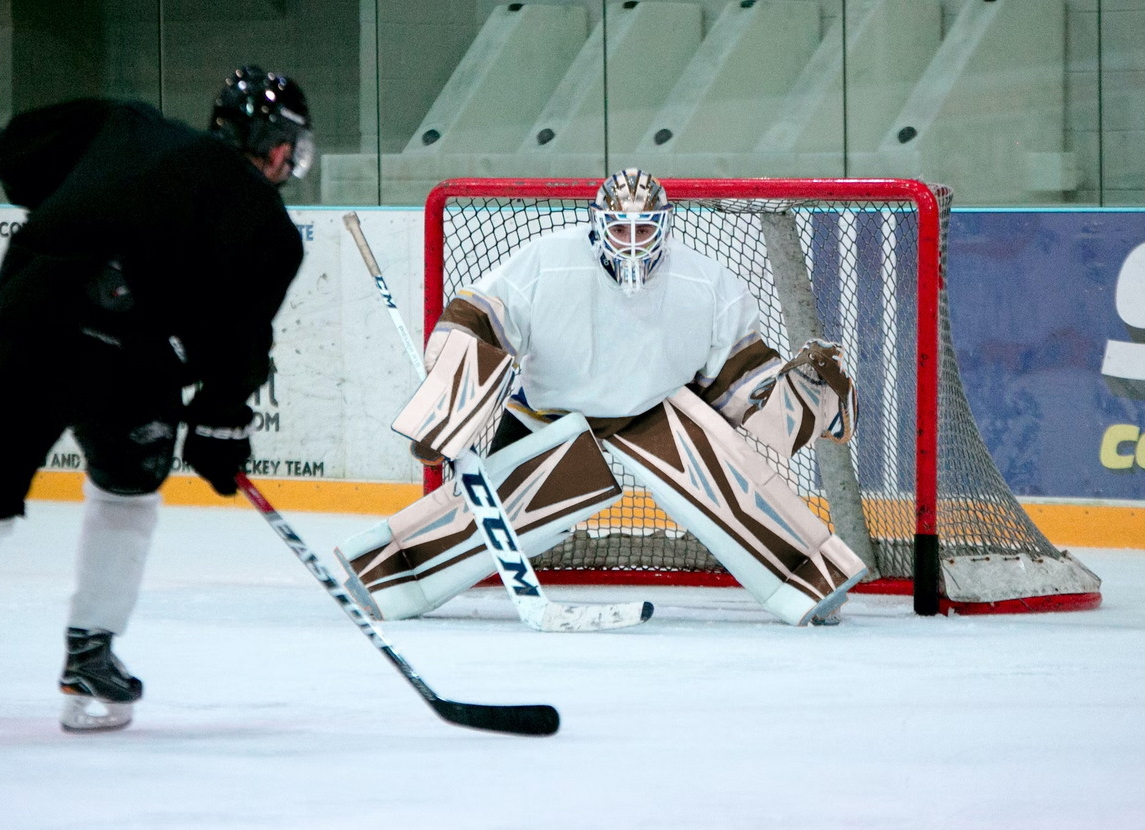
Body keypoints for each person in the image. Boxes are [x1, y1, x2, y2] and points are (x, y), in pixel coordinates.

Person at [336, 168, 868, 628]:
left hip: (652, 411)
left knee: (732, 478)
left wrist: (801, 401)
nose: (632, 240)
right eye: (620, 226)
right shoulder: (548, 261)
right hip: (549, 409)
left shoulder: (705, 281)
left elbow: (737, 375)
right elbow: (479, 318)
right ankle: (391, 571)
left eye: (644, 227)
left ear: (665, 226)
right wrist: (448, 406)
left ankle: (808, 576)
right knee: (495, 506)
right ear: (597, 224)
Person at [0, 66, 312, 732]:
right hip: (131, 359)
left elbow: (11, 150)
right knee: (126, 494)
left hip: (35, 315)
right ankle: (90, 655)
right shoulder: (270, 227)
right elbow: (239, 345)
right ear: (276, 145)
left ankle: (90, 656)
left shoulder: (126, 124)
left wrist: (81, 203)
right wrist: (220, 429)